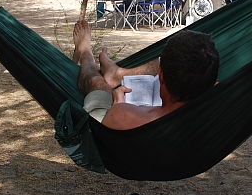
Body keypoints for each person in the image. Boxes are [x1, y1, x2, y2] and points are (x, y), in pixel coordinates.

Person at [72, 20, 219, 130]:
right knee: (194, 62)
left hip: (113, 123)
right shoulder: (214, 119)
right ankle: (117, 73)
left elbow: (114, 122)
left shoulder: (121, 114)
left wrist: (119, 106)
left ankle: (85, 52)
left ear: (160, 75)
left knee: (97, 84)